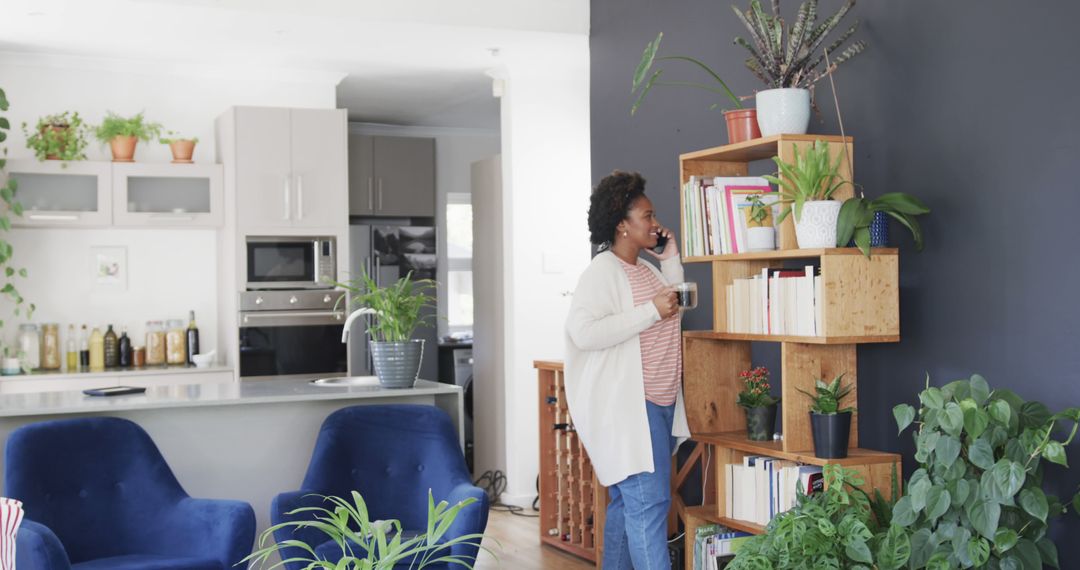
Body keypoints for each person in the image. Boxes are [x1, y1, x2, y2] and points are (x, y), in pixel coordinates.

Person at [564, 170, 690, 569]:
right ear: (622, 224)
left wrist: (670, 259)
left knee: (627, 504)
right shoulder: (602, 272)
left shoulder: (646, 270)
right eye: (647, 216)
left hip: (660, 403)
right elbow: (583, 333)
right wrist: (648, 311)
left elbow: (674, 308)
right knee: (648, 505)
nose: (655, 224)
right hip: (631, 409)